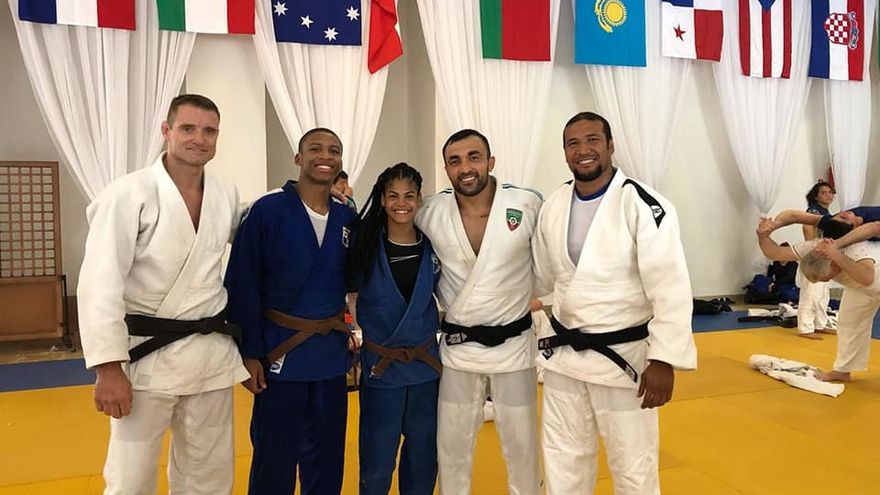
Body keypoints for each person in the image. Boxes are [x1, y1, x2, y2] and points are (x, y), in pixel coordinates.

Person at [77, 94, 249, 494]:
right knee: (131, 478)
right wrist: (108, 367)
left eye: (209, 131)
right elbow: (99, 282)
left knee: (209, 477)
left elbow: (257, 236)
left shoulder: (224, 193)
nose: (199, 139)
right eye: (188, 128)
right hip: (146, 357)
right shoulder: (128, 193)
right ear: (166, 131)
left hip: (209, 356)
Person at [531, 112, 697, 495]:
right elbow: (540, 276)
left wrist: (664, 359)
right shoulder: (554, 203)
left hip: (623, 361)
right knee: (562, 461)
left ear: (610, 145)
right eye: (573, 143)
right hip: (565, 360)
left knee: (633, 468)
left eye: (592, 140)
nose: (583, 150)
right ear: (565, 152)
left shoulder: (643, 204)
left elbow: (670, 286)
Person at [224, 128, 357, 494]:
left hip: (329, 357)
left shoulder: (347, 217)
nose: (325, 156)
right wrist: (248, 352)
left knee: (327, 458)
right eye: (315, 148)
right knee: (274, 458)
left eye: (334, 150)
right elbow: (242, 283)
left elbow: (356, 280)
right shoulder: (267, 210)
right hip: (278, 353)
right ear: (299, 158)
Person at [415, 129, 542, 495]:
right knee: (452, 448)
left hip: (514, 348)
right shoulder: (430, 212)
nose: (465, 167)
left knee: (522, 447)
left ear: (491, 162)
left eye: (474, 157)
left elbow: (551, 264)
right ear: (446, 169)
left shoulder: (527, 205)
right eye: (455, 161)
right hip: (459, 350)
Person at [349, 163, 441, 495]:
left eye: (409, 196)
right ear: (382, 199)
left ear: (420, 199)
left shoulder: (433, 245)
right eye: (393, 196)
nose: (401, 203)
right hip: (382, 367)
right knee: (377, 458)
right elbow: (348, 293)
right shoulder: (364, 245)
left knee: (423, 455)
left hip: (425, 366)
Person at [757, 212, 880, 382]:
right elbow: (775, 252)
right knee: (849, 323)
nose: (844, 214)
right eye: (838, 216)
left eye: (844, 218)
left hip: (871, 279)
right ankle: (843, 370)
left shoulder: (857, 247)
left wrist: (836, 254)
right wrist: (763, 236)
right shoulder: (817, 247)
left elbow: (867, 277)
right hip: (860, 287)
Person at [797, 181, 836, 339]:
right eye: (823, 192)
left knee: (822, 293)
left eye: (830, 192)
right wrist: (813, 248)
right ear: (816, 196)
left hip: (824, 255)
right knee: (811, 292)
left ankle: (820, 324)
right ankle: (805, 328)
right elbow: (807, 228)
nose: (828, 195)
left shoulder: (826, 214)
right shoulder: (813, 211)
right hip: (814, 255)